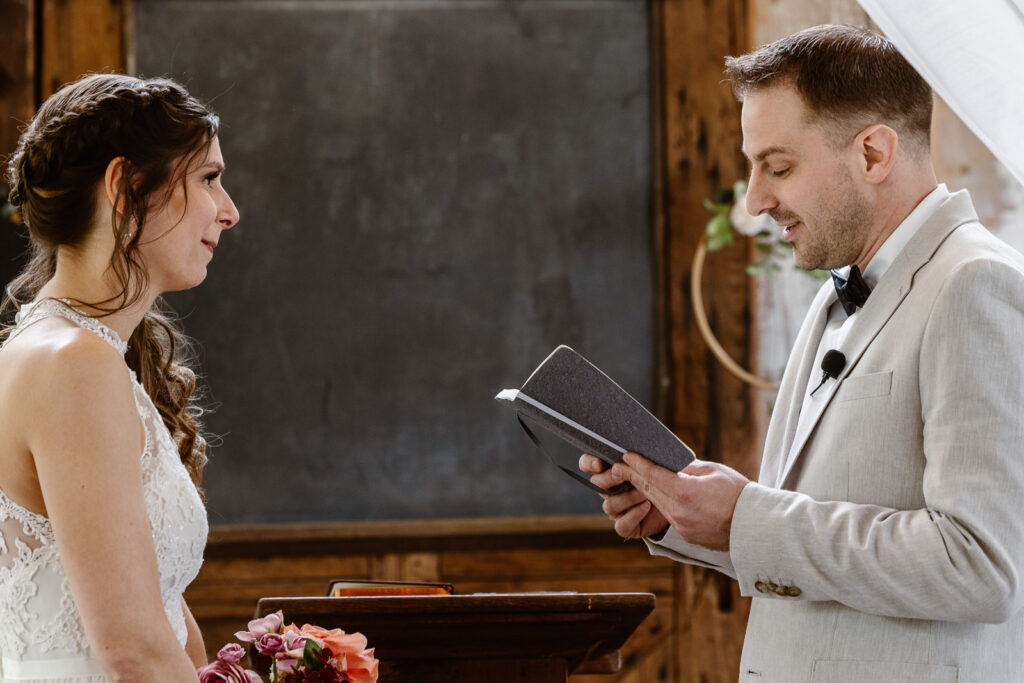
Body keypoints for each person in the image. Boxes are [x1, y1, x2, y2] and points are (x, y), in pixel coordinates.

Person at [581, 24, 1024, 682]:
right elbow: (807, 533)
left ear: (874, 153)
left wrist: (748, 514)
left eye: (778, 166)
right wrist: (685, 513)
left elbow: (979, 566)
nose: (756, 200)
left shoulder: (976, 285)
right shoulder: (832, 291)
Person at [0, 73, 239, 681]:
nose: (228, 211)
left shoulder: (82, 354)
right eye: (208, 179)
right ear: (126, 186)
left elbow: (159, 613)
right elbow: (131, 650)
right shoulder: (70, 364)